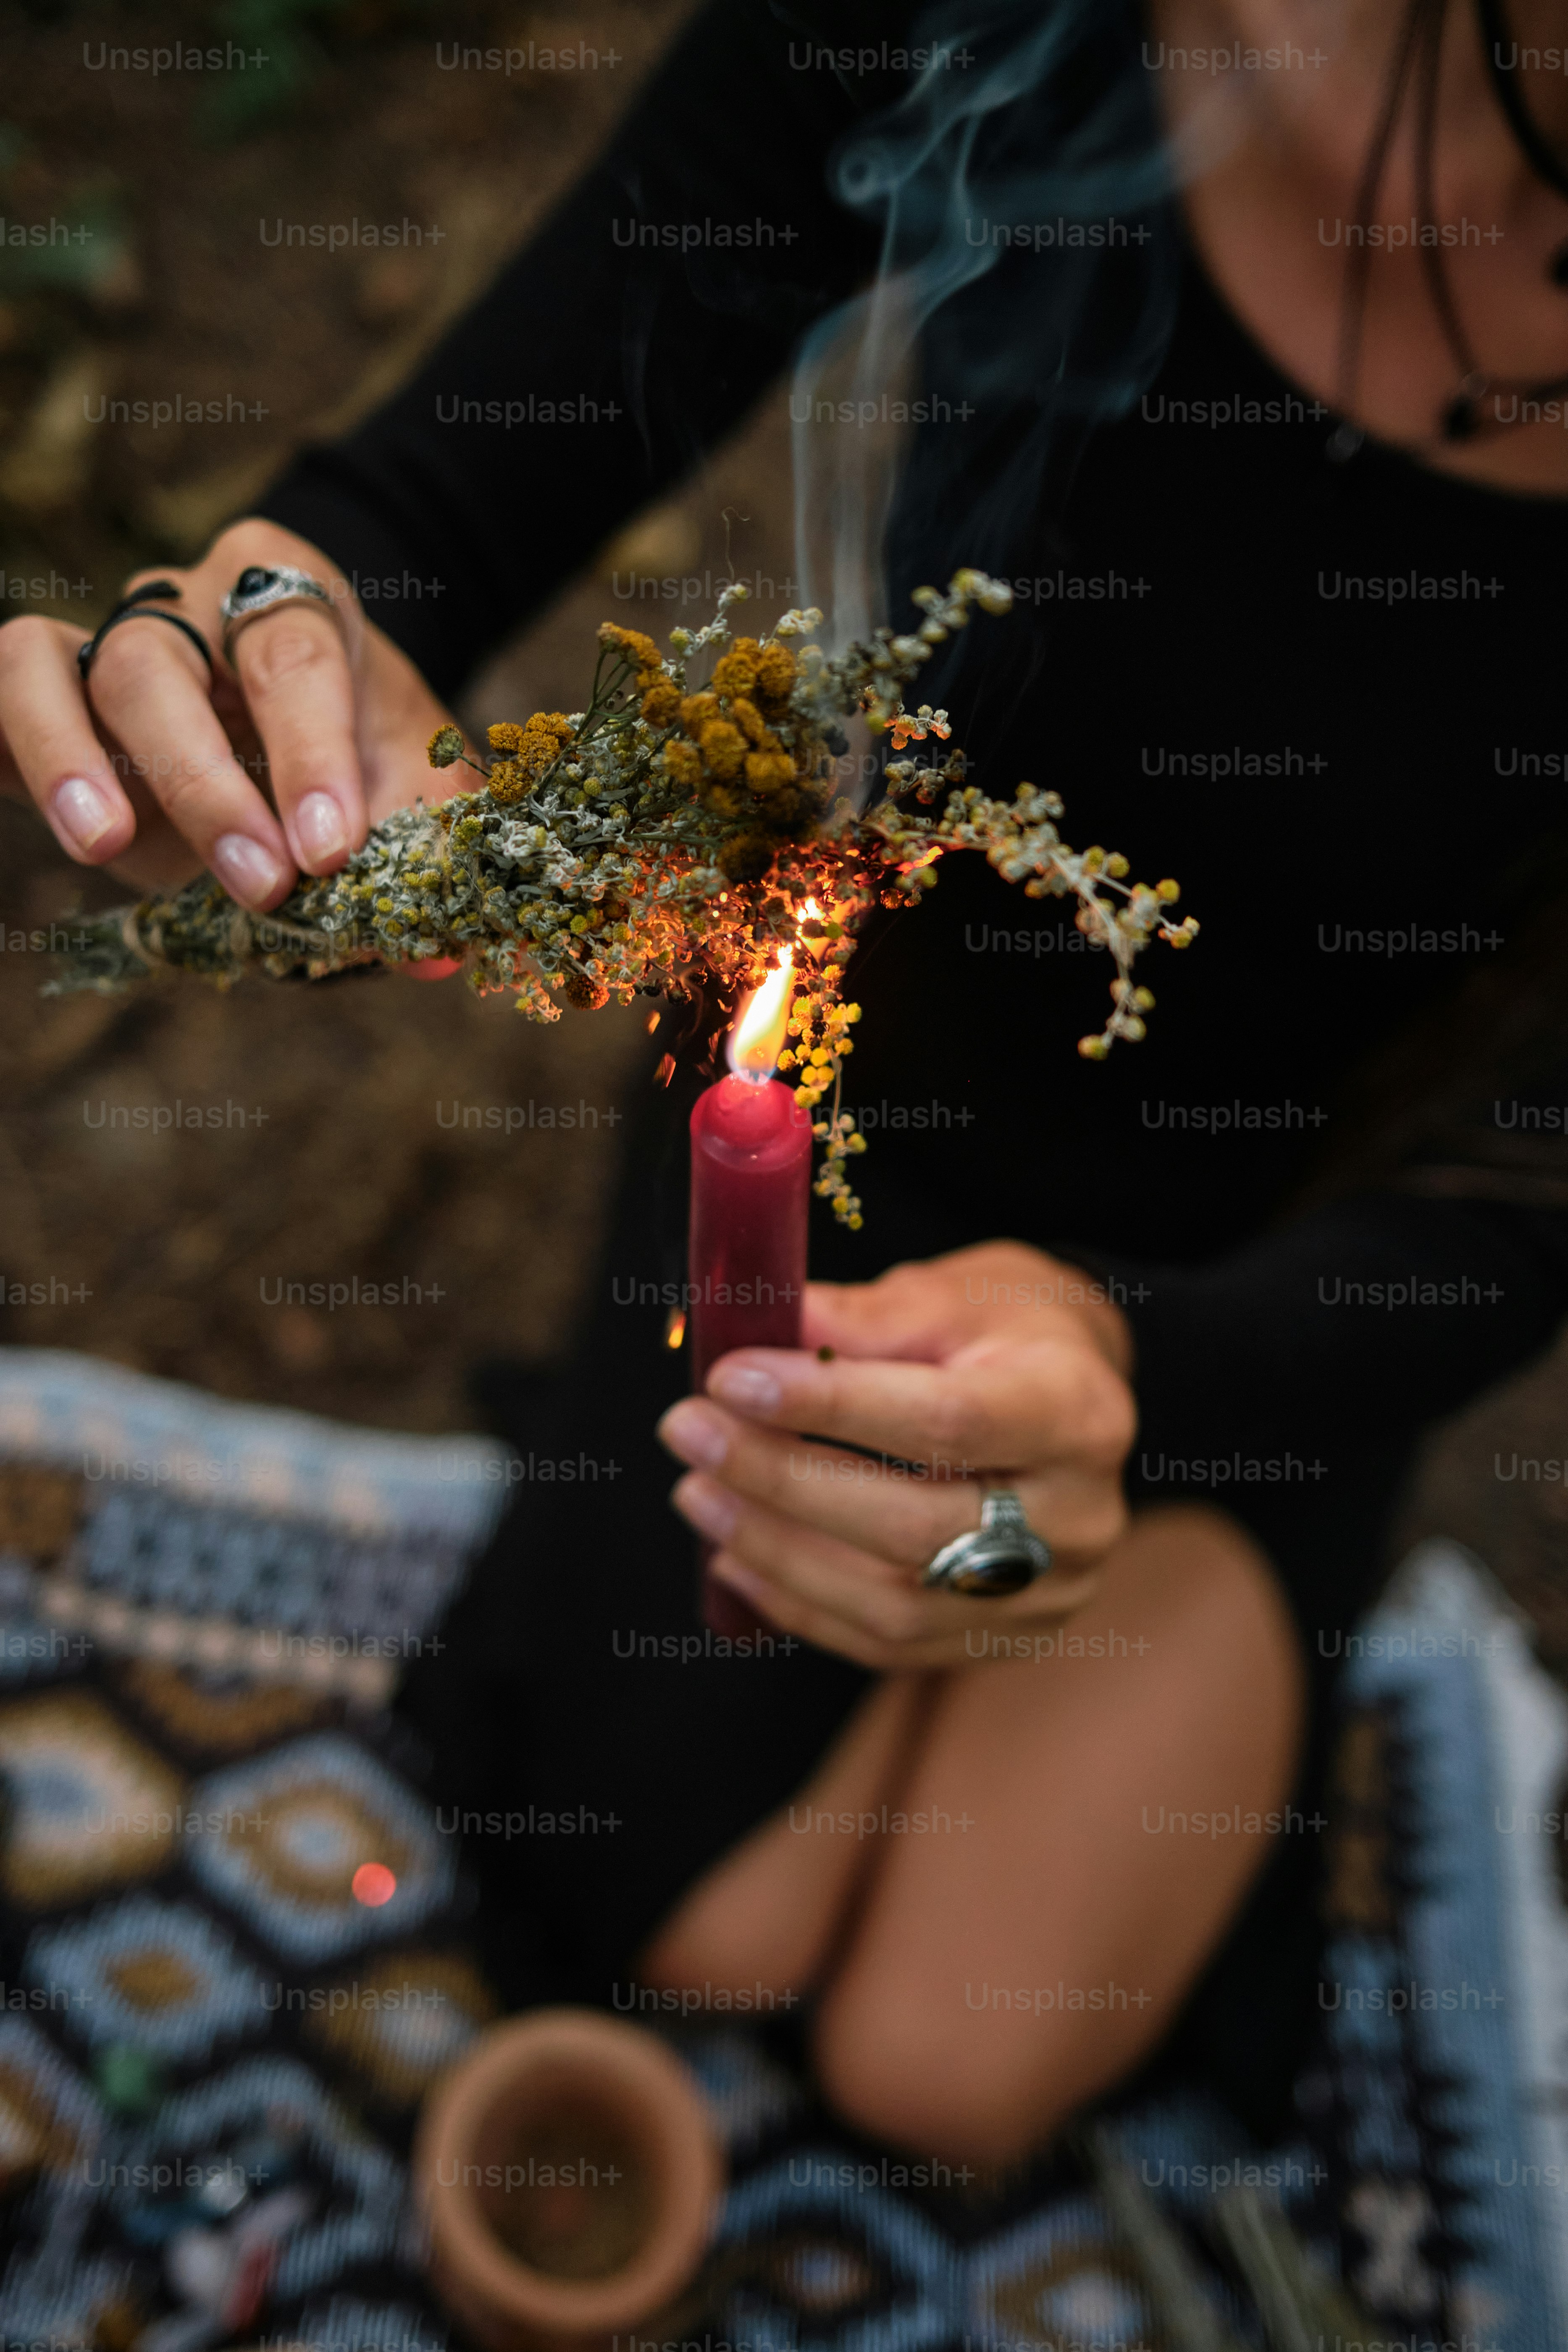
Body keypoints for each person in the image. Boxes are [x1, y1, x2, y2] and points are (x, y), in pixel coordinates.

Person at [5, 0, 1568, 2164]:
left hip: (1259, 1300)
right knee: (698, 1926)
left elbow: (1538, 1182)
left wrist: (1143, 1385)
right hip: (809, 1195)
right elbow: (431, 494)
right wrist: (276, 637)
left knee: (954, 2058)